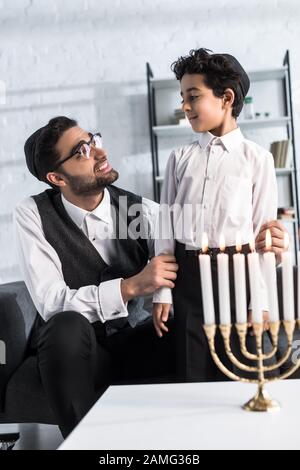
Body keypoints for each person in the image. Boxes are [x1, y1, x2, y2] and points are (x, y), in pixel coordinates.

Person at [14, 116, 179, 438]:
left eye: (95, 141)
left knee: (194, 326)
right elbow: (51, 303)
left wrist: (256, 240)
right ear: (56, 177)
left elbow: (205, 242)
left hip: (141, 343)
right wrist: (131, 286)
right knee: (63, 324)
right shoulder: (35, 214)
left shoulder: (136, 210)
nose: (100, 154)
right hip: (82, 352)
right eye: (81, 152)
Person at [152, 48, 280, 382]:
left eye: (193, 96)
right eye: (182, 97)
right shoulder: (178, 158)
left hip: (240, 275)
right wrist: (163, 291)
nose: (185, 106)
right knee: (191, 372)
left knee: (243, 374)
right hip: (189, 279)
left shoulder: (258, 159)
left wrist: (260, 300)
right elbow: (166, 228)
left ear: (226, 97)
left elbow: (262, 235)